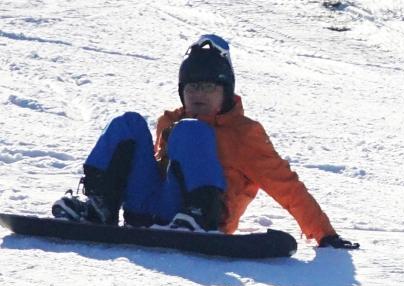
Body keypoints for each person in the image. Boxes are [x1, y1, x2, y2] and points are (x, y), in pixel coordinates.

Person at [52, 34, 357, 248]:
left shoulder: (244, 134)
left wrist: (325, 234)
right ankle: (99, 206)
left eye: (208, 87)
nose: (198, 94)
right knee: (129, 123)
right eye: (192, 87)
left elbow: (285, 185)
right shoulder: (170, 122)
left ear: (225, 92)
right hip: (151, 212)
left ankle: (198, 216)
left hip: (207, 224)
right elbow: (163, 173)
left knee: (191, 131)